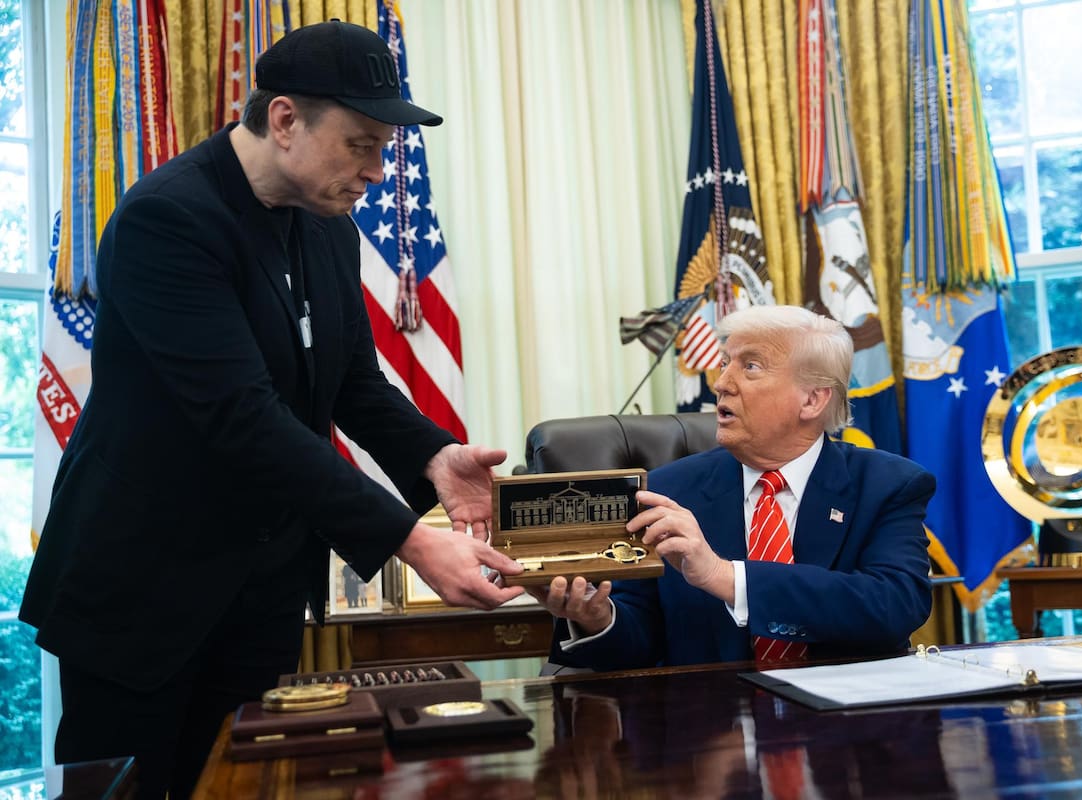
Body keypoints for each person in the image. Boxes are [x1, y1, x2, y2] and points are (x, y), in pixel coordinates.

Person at [19, 20, 524, 800]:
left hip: (260, 596)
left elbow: (353, 385)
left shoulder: (328, 227)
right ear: (284, 120)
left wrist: (432, 457)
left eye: (385, 148)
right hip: (142, 596)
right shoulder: (169, 219)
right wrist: (410, 543)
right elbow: (242, 419)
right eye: (362, 144)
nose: (377, 171)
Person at [532, 304, 935, 670]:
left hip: (847, 732)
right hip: (707, 731)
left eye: (751, 367)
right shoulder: (667, 492)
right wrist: (596, 618)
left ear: (812, 400)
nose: (721, 383)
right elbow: (638, 643)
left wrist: (726, 577)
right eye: (725, 363)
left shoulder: (889, 485)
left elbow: (896, 604)